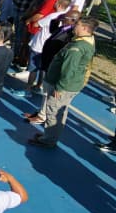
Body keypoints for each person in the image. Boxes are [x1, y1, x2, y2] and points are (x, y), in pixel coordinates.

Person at [28, 19, 96, 150]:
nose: (74, 26)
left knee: (54, 111)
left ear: (85, 28)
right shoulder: (85, 41)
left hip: (63, 86)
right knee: (58, 111)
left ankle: (48, 140)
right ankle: (49, 136)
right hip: (69, 84)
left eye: (77, 25)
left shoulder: (78, 47)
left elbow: (69, 68)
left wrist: (60, 87)